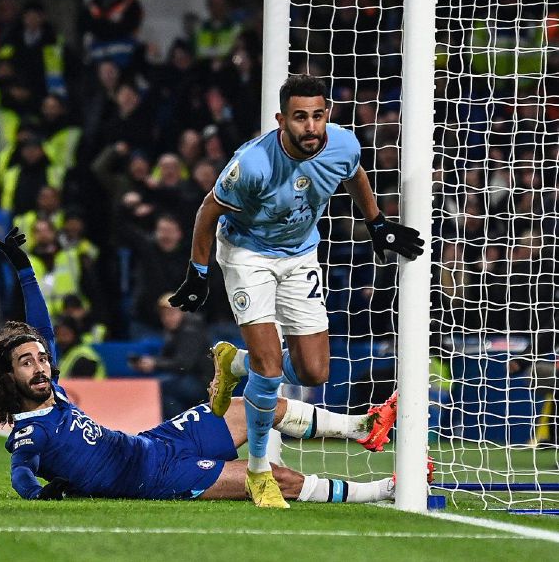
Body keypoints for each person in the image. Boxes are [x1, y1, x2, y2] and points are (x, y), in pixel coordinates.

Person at [0, 227, 399, 506]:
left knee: (251, 405)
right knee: (273, 478)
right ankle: (383, 491)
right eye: (28, 362)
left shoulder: (53, 391)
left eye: (42, 357)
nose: (41, 365)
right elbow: (21, 472)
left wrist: (23, 268)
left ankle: (363, 426)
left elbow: (39, 326)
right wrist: (40, 493)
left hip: (156, 443)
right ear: (10, 379)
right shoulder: (29, 432)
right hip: (159, 478)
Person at [170, 73, 424, 508]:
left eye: (318, 116)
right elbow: (209, 209)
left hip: (301, 256)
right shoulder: (253, 164)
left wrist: (377, 224)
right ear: (281, 119)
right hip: (248, 256)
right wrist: (197, 271)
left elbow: (355, 174)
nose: (311, 126)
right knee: (270, 371)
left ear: (328, 114)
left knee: (313, 371)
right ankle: (258, 472)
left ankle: (236, 365)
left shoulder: (342, 145)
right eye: (300, 117)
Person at [129, 293, 213, 419]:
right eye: (164, 315)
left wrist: (155, 363)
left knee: (161, 386)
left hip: (202, 382)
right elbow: (168, 359)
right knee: (159, 387)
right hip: (187, 377)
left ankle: (178, 428)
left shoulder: (191, 330)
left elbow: (185, 364)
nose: (168, 318)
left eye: (172, 313)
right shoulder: (174, 331)